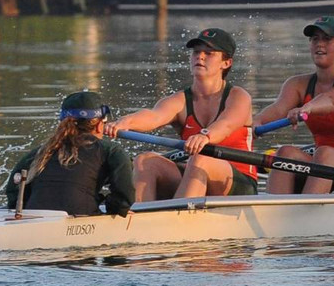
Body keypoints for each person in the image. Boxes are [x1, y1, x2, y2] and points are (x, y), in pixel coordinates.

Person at [104, 28, 257, 201]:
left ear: (226, 63)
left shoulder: (239, 96)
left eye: (209, 53)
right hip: (195, 175)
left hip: (238, 182)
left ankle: (176, 221)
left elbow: (227, 124)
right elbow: (154, 116)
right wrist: (125, 122)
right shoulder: (180, 100)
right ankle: (139, 221)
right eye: (196, 52)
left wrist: (205, 136)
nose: (200, 56)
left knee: (200, 159)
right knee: (144, 161)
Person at [254, 17, 334, 194]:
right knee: (285, 153)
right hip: (323, 167)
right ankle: (273, 214)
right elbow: (278, 109)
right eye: (315, 39)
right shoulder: (297, 84)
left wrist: (306, 108)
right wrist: (256, 122)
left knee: (326, 153)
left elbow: (332, 101)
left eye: (327, 39)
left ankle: (306, 215)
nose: (319, 44)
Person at [2, 90, 134, 216]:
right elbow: (124, 197)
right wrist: (116, 209)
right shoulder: (111, 150)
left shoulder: (39, 152)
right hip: (81, 219)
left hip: (32, 218)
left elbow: (14, 193)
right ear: (100, 125)